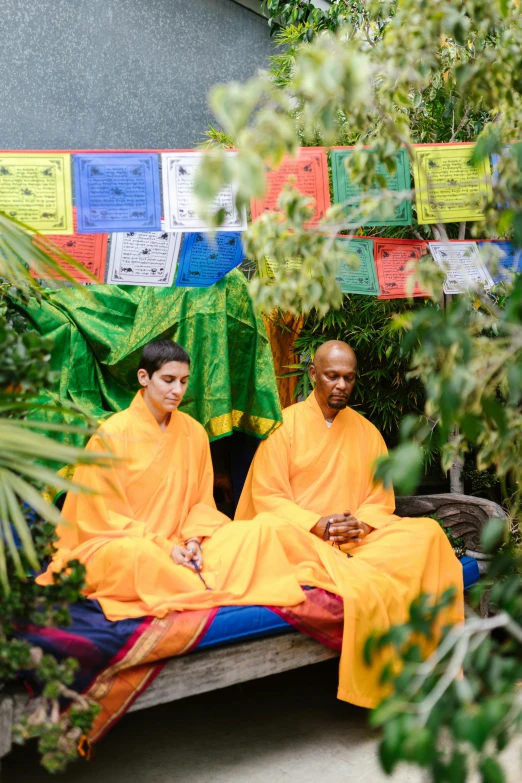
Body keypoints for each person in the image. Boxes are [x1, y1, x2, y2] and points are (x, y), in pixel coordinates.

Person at [236, 340, 464, 708]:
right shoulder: (284, 427)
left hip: (356, 542)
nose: (340, 385)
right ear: (313, 375)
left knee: (426, 534)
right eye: (332, 376)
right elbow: (268, 498)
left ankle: (435, 663)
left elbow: (379, 501)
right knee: (268, 531)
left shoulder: (367, 432)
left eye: (348, 378)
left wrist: (362, 525)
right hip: (303, 540)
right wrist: (317, 524)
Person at [36, 339, 305, 621]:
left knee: (255, 533)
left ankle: (189, 578)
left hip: (181, 544)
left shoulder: (194, 433)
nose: (177, 390)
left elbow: (202, 504)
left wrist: (193, 543)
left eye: (184, 381)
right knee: (134, 557)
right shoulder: (110, 437)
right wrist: (165, 549)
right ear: (144, 377)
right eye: (168, 380)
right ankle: (204, 582)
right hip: (126, 546)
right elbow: (102, 520)